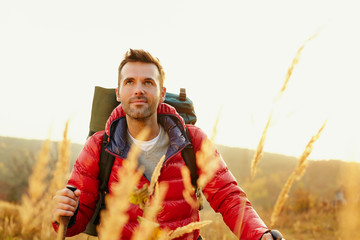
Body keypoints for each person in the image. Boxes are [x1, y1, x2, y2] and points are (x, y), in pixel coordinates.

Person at [52, 49, 274, 240]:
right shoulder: (100, 146)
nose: (139, 89)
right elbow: (76, 221)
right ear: (119, 93)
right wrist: (65, 214)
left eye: (148, 82)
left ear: (162, 94)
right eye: (130, 82)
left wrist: (260, 234)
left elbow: (228, 197)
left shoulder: (192, 141)